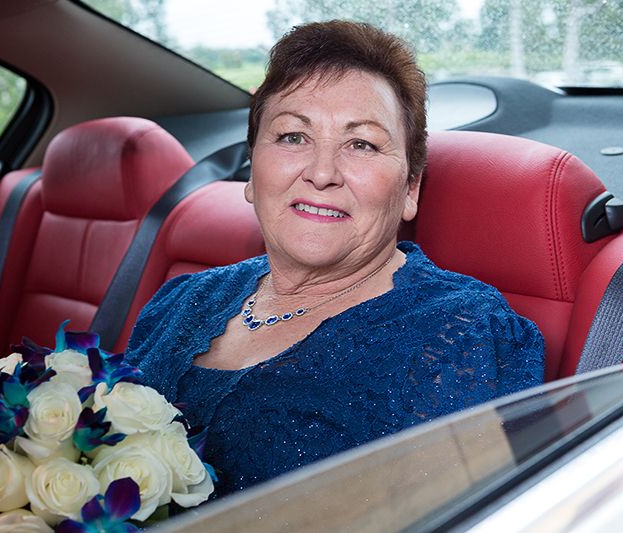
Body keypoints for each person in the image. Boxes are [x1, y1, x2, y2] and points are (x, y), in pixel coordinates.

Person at [125, 20, 544, 496]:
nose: (322, 173)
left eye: (361, 144)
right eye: (293, 137)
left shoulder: (462, 335)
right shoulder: (181, 300)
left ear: (410, 189)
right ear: (253, 169)